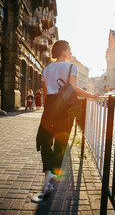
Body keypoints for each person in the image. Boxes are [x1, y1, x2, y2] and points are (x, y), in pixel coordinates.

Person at [36, 40, 99, 194]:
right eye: (70, 51)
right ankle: (52, 174)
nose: (71, 54)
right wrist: (92, 96)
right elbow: (75, 89)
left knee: (44, 140)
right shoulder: (72, 67)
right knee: (61, 141)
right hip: (65, 108)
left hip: (50, 107)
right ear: (64, 52)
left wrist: (48, 109)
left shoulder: (46, 69)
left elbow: (45, 93)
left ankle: (47, 174)